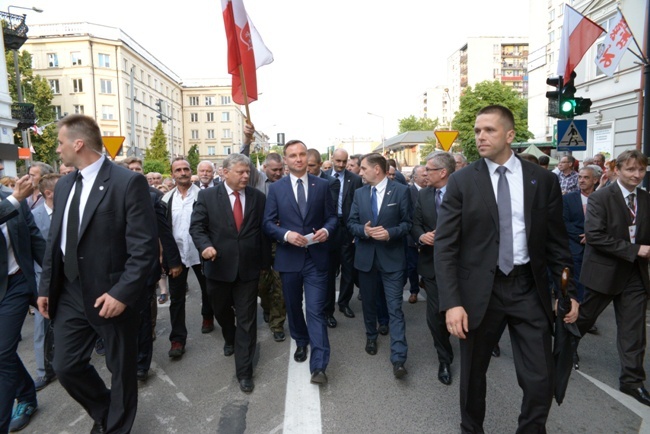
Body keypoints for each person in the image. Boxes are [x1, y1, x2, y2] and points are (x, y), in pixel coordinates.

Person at [434, 105, 578, 433]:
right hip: (478, 293)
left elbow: (557, 243)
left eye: (489, 130)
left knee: (541, 378)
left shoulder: (541, 181)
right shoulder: (461, 182)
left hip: (528, 288)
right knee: (472, 377)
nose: (480, 136)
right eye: (477, 130)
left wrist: (568, 292)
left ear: (510, 135)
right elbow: (445, 248)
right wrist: (452, 302)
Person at [37, 114, 158, 433]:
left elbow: (143, 247)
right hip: (71, 292)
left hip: (111, 292)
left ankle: (116, 426)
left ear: (78, 143)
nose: (58, 149)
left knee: (121, 369)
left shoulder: (126, 182)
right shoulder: (64, 184)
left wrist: (122, 293)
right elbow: (55, 240)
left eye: (61, 142)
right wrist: (45, 287)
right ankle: (106, 410)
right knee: (65, 365)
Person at [576, 150, 650, 407]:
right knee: (584, 318)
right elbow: (594, 236)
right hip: (604, 271)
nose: (637, 175)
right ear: (617, 170)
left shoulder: (645, 198)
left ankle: (632, 381)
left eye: (641, 170)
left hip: (635, 275)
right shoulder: (600, 198)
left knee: (634, 330)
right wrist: (634, 249)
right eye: (631, 170)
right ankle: (564, 350)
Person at [263, 139, 337, 385]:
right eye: (292, 155)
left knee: (315, 310)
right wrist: (285, 235)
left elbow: (332, 217)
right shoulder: (276, 189)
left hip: (316, 259)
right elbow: (267, 223)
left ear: (307, 157)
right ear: (285, 160)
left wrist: (326, 230)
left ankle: (319, 365)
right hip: (289, 258)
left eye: (302, 154)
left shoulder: (323, 185)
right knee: (294, 307)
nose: (298, 159)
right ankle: (301, 341)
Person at [190, 154, 266, 393]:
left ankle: (244, 372)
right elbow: (197, 227)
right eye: (241, 172)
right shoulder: (207, 196)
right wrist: (205, 246)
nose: (246, 176)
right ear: (224, 172)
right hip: (218, 268)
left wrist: (266, 263)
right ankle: (228, 334)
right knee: (221, 311)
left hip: (248, 270)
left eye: (248, 172)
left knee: (247, 319)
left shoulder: (258, 198)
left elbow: (263, 230)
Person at [348, 153, 412, 379]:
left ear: (377, 169)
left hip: (392, 260)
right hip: (366, 259)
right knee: (369, 304)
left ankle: (399, 358)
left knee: (394, 308)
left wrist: (390, 233)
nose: (360, 171)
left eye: (363, 168)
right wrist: (363, 231)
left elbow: (408, 224)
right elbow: (351, 223)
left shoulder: (402, 191)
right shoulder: (359, 193)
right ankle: (371, 336)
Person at [123, 157, 182, 382]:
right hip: (116, 269)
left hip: (143, 268)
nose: (135, 173)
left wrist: (172, 261)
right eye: (131, 170)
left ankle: (141, 363)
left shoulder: (153, 197)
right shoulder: (109, 196)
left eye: (139, 169)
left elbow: (164, 232)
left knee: (142, 318)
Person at [161, 158, 222, 358]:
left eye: (186, 169)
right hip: (177, 256)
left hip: (201, 253)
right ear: (172, 174)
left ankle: (207, 315)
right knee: (177, 299)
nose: (183, 172)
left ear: (191, 172)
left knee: (209, 290)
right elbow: (164, 232)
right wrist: (169, 260)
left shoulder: (204, 196)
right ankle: (177, 339)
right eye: (178, 170)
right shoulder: (166, 199)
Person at [1, 175, 46, 433]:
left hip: (15, 284)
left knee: (2, 352)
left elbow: (35, 239)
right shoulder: (14, 198)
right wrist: (14, 200)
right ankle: (27, 393)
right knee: (2, 354)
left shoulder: (9, 194)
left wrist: (58, 277)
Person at [411, 152, 455, 386]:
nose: (424, 173)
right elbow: (415, 222)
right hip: (431, 264)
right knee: (435, 316)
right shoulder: (424, 195)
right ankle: (444, 358)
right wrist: (421, 236)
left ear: (442, 172)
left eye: (428, 169)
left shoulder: (463, 193)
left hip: (461, 266)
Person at [31, 174, 62, 392]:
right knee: (43, 324)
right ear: (49, 193)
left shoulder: (72, 211)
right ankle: (44, 371)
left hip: (73, 274)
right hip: (44, 277)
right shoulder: (33, 216)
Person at [306, 148, 341, 328]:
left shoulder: (330, 182)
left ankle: (328, 312)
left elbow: (329, 209)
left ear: (320, 165)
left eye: (311, 166)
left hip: (325, 238)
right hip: (304, 239)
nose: (308, 169)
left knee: (327, 280)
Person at [327, 149, 363, 321]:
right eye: (338, 161)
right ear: (332, 159)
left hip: (347, 228)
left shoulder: (355, 179)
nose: (341, 165)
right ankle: (327, 309)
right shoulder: (323, 177)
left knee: (348, 269)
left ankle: (344, 302)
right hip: (328, 229)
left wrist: (358, 229)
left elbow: (359, 204)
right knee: (328, 269)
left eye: (344, 161)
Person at [255, 152, 287, 342]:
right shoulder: (255, 182)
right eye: (274, 170)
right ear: (264, 168)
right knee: (262, 285)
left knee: (280, 286)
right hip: (260, 242)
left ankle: (277, 324)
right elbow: (240, 158)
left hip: (282, 241)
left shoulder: (287, 185)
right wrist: (247, 140)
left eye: (280, 169)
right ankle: (266, 308)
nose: (278, 173)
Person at [563, 166, 599, 304]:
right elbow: (564, 222)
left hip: (597, 247)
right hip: (575, 246)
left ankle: (588, 314)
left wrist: (592, 236)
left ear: (595, 180)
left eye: (586, 177)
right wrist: (582, 236)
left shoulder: (602, 198)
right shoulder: (568, 198)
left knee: (594, 283)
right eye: (580, 177)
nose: (582, 180)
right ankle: (578, 312)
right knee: (578, 281)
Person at [406, 165, 427, 304]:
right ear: (415, 178)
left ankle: (425, 282)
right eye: (423, 175)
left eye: (427, 174)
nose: (426, 176)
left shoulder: (432, 191)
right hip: (411, 235)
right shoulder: (408, 192)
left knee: (427, 262)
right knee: (412, 265)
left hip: (428, 234)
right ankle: (414, 291)